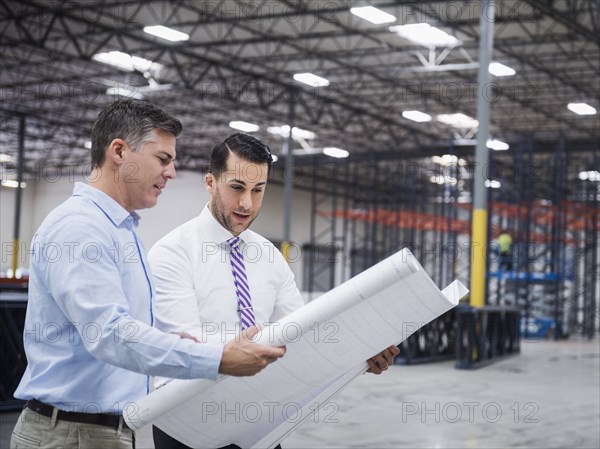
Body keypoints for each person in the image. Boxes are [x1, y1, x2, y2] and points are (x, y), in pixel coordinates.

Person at [10, 101, 285, 449]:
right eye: (163, 159)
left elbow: (133, 330)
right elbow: (111, 335)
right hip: (72, 434)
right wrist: (219, 358)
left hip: (104, 430)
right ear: (119, 151)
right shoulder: (81, 229)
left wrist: (193, 346)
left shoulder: (121, 231)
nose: (171, 172)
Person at [148, 132, 400, 449]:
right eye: (236, 188)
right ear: (210, 183)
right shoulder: (173, 253)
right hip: (190, 424)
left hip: (257, 422)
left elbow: (302, 332)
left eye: (258, 191)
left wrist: (360, 354)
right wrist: (231, 356)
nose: (246, 204)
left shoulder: (268, 256)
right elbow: (183, 349)